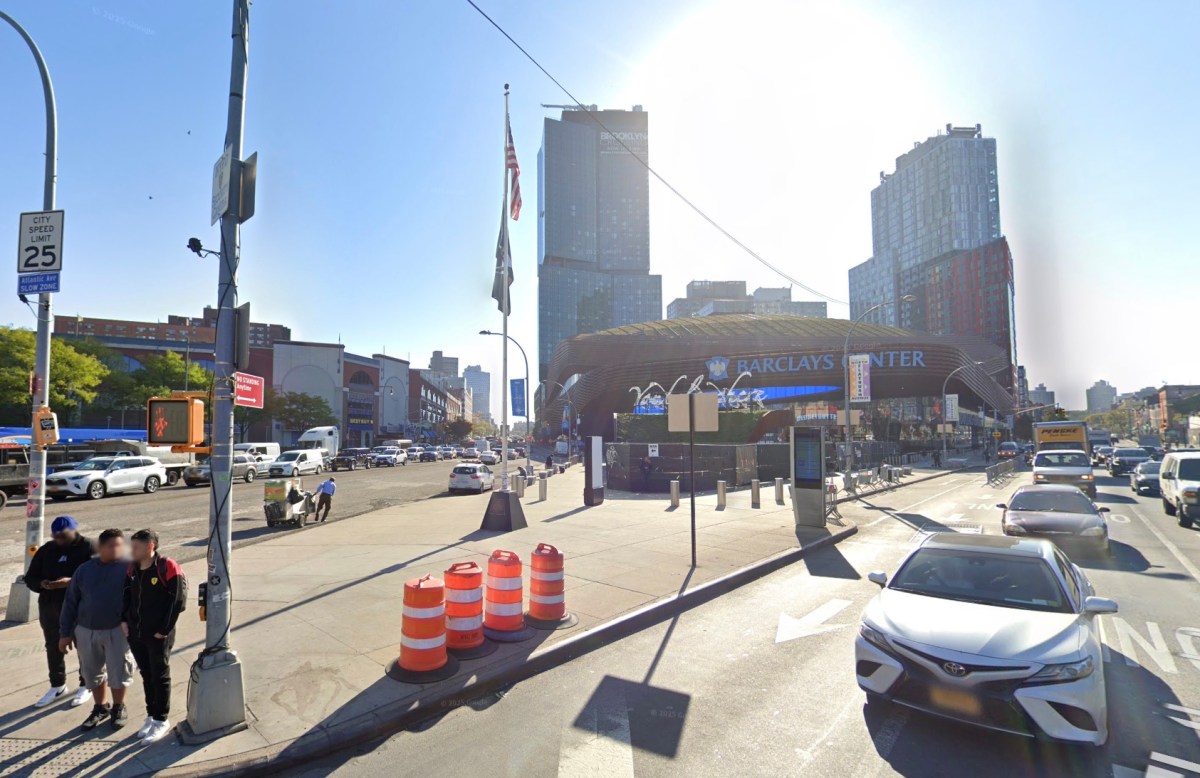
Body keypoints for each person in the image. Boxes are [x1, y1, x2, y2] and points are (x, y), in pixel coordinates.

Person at [59, 529, 136, 731]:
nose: (118, 549)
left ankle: (119, 706)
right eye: (112, 545)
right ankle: (100, 707)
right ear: (100, 547)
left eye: (120, 545)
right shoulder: (84, 570)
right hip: (86, 630)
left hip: (117, 630)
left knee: (119, 671)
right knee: (92, 672)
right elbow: (70, 602)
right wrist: (65, 633)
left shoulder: (129, 568)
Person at [24, 515, 95, 709]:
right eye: (56, 536)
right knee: (53, 645)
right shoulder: (47, 549)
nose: (59, 540)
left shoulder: (89, 547)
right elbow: (30, 577)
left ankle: (86, 683)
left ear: (74, 531)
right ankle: (57, 683)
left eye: (63, 536)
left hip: (78, 606)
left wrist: (70, 582)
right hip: (50, 605)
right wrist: (42, 584)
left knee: (83, 645)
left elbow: (99, 577)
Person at [122, 529, 186, 744]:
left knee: (159, 675)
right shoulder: (132, 568)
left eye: (136, 547)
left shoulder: (167, 566)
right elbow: (125, 595)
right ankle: (151, 714)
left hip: (158, 634)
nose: (132, 551)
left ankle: (161, 719)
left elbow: (177, 600)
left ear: (150, 546)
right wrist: (124, 621)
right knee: (146, 674)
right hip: (136, 632)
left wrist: (164, 629)